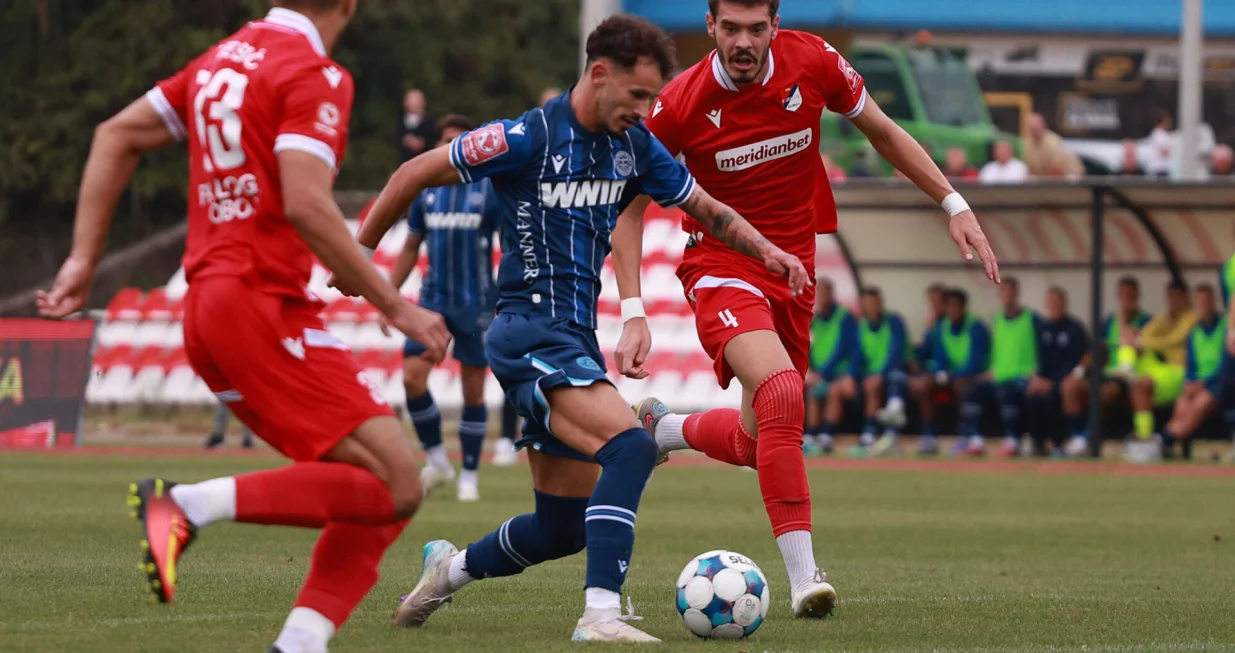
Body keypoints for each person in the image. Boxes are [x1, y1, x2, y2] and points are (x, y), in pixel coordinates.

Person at [341, 15, 808, 643]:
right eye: (637, 95)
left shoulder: (635, 145)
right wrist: (359, 256)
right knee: (633, 446)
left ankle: (445, 572)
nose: (645, 110)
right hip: (528, 332)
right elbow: (412, 174)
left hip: (573, 339)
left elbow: (708, 209)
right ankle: (600, 615)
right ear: (599, 74)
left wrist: (767, 251)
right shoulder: (525, 137)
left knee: (561, 527)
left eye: (653, 97)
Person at [36, 3, 452, 652]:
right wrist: (397, 306)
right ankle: (186, 505)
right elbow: (306, 202)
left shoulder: (219, 60)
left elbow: (115, 133)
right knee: (399, 479)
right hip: (261, 304)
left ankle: (299, 642)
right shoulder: (313, 72)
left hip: (207, 309)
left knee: (374, 486)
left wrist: (84, 259)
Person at [622, 0, 998, 619]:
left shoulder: (814, 60)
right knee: (782, 391)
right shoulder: (680, 104)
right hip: (721, 265)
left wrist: (953, 203)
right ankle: (805, 580)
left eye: (757, 29)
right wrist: (633, 309)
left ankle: (663, 430)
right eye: (730, 28)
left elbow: (882, 130)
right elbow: (629, 210)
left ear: (776, 26)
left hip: (794, 271)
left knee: (757, 441)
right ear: (711, 27)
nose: (744, 42)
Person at [385, 113, 512, 502]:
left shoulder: (488, 189)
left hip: (477, 303)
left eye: (459, 139)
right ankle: (438, 460)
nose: (451, 146)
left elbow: (510, 247)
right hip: (432, 303)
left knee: (473, 391)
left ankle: (469, 474)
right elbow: (410, 247)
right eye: (445, 140)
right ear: (437, 145)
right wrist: (388, 297)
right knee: (412, 379)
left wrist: (508, 297)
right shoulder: (425, 191)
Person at [1060, 276, 1152, 456]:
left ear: (1137, 296)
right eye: (1123, 294)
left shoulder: (1147, 322)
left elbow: (1143, 350)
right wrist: (1079, 371)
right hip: (1105, 373)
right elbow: (1096, 350)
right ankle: (1076, 436)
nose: (1126, 299)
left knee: (1103, 393)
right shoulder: (1109, 322)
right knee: (1069, 386)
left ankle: (1088, 438)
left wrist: (1125, 324)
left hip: (1129, 377)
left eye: (1130, 294)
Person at [909, 288, 991, 456]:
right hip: (951, 376)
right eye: (950, 307)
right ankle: (929, 436)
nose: (954, 311)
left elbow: (975, 363)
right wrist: (939, 372)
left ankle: (966, 436)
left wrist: (951, 375)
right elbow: (940, 357)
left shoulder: (976, 327)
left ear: (964, 307)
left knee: (963, 386)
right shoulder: (941, 327)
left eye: (957, 306)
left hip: (974, 376)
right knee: (924, 384)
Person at [1124, 281, 1196, 462]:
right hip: (1164, 372)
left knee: (1141, 385)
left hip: (1182, 373)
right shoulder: (1164, 319)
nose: (1172, 302)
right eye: (1169, 298)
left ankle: (1147, 439)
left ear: (1186, 298)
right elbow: (1144, 335)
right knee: (1137, 378)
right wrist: (1136, 338)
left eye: (1177, 297)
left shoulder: (1191, 318)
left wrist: (1141, 342)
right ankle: (1125, 367)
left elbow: (1174, 340)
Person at [1158, 284, 1229, 453]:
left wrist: (1204, 383)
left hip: (1220, 384)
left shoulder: (1226, 328)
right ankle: (1170, 445)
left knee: (1201, 402)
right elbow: (1190, 365)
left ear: (1213, 301)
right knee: (1182, 402)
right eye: (1199, 301)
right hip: (1198, 384)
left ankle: (1164, 439)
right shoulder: (1194, 332)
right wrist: (1190, 383)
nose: (1203, 304)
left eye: (1206, 300)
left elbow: (1226, 365)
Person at [984, 278, 1047, 457]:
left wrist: (1039, 373)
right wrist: (991, 368)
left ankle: (1015, 438)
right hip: (1001, 375)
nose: (1007, 296)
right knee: (972, 391)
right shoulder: (997, 320)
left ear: (1017, 294)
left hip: (1024, 376)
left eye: (1010, 291)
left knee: (1012, 396)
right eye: (1003, 292)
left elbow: (1043, 348)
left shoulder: (1032, 319)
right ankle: (973, 438)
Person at [1027, 287, 1089, 456]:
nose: (1054, 306)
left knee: (1056, 394)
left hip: (1064, 379)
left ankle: (1060, 443)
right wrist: (1036, 378)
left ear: (1064, 304)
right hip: (1044, 380)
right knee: (1031, 396)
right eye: (1051, 302)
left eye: (1057, 302)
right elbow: (1035, 358)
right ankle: (1037, 443)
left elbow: (1079, 360)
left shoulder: (1075, 329)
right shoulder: (1042, 328)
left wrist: (1054, 381)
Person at [803, 278, 860, 455]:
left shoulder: (844, 316)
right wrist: (811, 371)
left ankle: (827, 435)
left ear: (831, 294)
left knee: (834, 392)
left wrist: (825, 373)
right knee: (812, 392)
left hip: (838, 373)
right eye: (819, 293)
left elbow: (844, 348)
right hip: (819, 373)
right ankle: (811, 435)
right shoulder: (813, 319)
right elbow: (806, 345)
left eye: (825, 292)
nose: (822, 297)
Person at [854, 287, 910, 456]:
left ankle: (888, 433)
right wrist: (852, 376)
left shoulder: (894, 321)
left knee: (894, 379)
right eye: (869, 303)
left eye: (876, 302)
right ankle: (870, 435)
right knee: (870, 385)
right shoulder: (862, 326)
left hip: (895, 371)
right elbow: (857, 356)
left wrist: (881, 374)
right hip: (873, 374)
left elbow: (896, 352)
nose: (873, 306)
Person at [398, 89, 436, 162]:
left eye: (417, 101)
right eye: (411, 101)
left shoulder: (431, 121)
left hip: (425, 161)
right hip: (405, 162)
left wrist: (421, 144)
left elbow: (433, 141)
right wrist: (405, 141)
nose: (414, 104)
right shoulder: (400, 120)